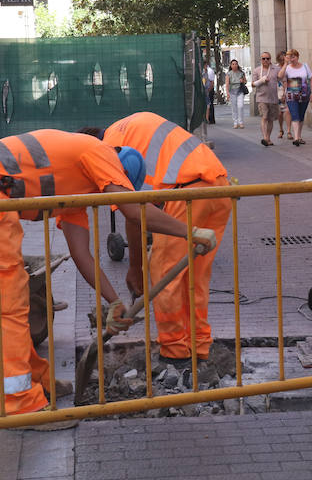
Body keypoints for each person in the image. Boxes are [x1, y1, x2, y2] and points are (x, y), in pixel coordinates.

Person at [0, 130, 215, 419]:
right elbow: (135, 211)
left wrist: (114, 302)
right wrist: (191, 232)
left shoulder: (75, 192)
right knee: (3, 299)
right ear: (117, 174)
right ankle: (21, 406)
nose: (107, 197)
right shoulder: (101, 153)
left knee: (14, 295)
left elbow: (82, 255)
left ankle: (36, 380)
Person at [94, 113, 231, 363]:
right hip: (219, 184)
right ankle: (199, 346)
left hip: (187, 192)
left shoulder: (105, 150)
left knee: (163, 271)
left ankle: (176, 350)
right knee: (194, 276)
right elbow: (147, 205)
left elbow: (134, 212)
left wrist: (135, 269)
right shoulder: (130, 126)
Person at [278, 49, 312, 146]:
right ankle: (296, 138)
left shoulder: (305, 66)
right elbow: (279, 76)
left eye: (293, 56)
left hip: (304, 94)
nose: (292, 59)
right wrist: (285, 64)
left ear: (297, 57)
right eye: (289, 57)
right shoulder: (287, 67)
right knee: (295, 115)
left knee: (301, 116)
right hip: (291, 95)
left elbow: (311, 79)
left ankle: (299, 136)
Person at [252, 52, 279, 146]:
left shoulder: (276, 69)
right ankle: (264, 138)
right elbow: (253, 84)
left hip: (273, 97)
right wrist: (261, 80)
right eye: (263, 59)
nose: (266, 60)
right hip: (261, 97)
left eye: (267, 58)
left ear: (270, 59)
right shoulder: (257, 70)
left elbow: (282, 79)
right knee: (264, 117)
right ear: (261, 60)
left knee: (270, 119)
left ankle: (268, 138)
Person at [275, 51, 291, 140]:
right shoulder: (276, 68)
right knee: (279, 113)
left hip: (287, 90)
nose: (283, 61)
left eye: (284, 59)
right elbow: (279, 76)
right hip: (277, 91)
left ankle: (289, 131)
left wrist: (286, 93)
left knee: (288, 111)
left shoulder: (289, 68)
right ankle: (281, 129)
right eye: (281, 59)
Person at [227, 59, 247, 129]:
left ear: (237, 65)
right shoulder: (229, 73)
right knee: (234, 108)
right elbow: (227, 84)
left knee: (240, 106)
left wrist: (243, 81)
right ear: (231, 65)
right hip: (232, 91)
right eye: (233, 64)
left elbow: (245, 81)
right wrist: (227, 93)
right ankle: (235, 122)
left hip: (240, 91)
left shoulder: (241, 73)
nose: (234, 65)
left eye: (236, 64)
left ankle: (241, 122)